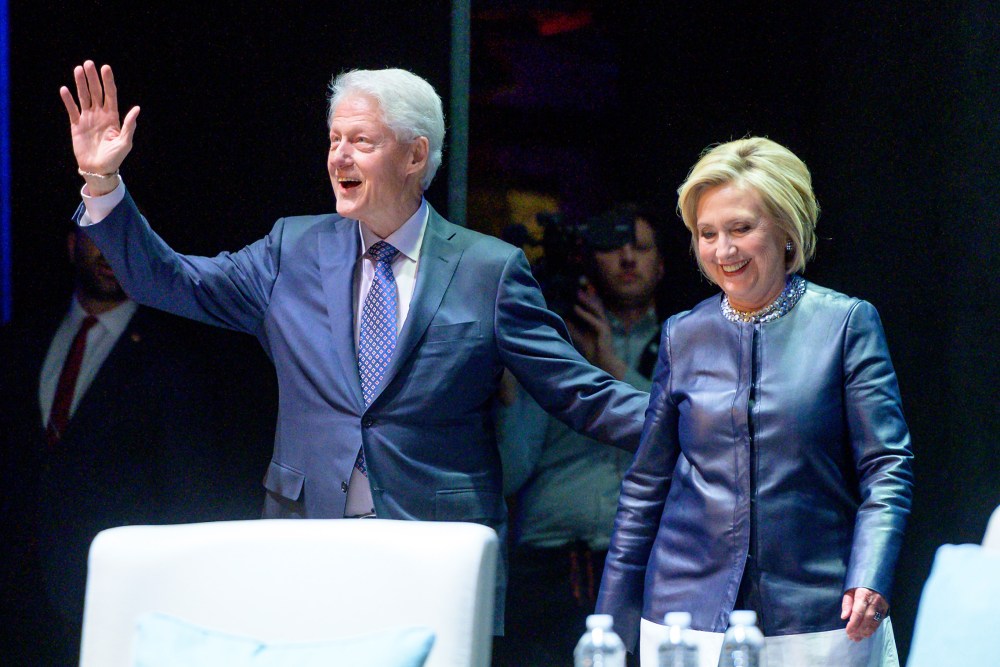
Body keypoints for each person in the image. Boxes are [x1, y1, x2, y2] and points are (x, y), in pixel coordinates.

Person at [58, 61, 648, 633]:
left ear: (415, 155)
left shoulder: (487, 270)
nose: (338, 155)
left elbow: (580, 392)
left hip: (432, 552)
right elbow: (171, 279)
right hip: (306, 541)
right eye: (334, 138)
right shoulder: (292, 248)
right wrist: (103, 184)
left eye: (361, 140)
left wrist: (699, 418)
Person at [595, 137, 914, 666]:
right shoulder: (683, 335)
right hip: (685, 613)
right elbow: (647, 482)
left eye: (741, 229)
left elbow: (886, 465)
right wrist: (610, 623)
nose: (724, 250)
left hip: (818, 612)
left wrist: (871, 573)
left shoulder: (846, 324)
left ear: (786, 230)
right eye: (708, 234)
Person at [0, 225, 232, 665]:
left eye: (123, 241)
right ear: (72, 246)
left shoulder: (178, 357)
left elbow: (192, 490)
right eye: (96, 238)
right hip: (18, 603)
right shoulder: (23, 339)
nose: (109, 253)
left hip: (114, 600)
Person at [494, 205, 666, 666]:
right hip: (549, 565)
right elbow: (511, 472)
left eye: (641, 247)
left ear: (662, 263)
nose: (628, 258)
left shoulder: (686, 338)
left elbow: (688, 439)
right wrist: (510, 386)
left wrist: (609, 364)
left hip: (644, 568)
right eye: (612, 247)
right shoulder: (552, 344)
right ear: (589, 259)